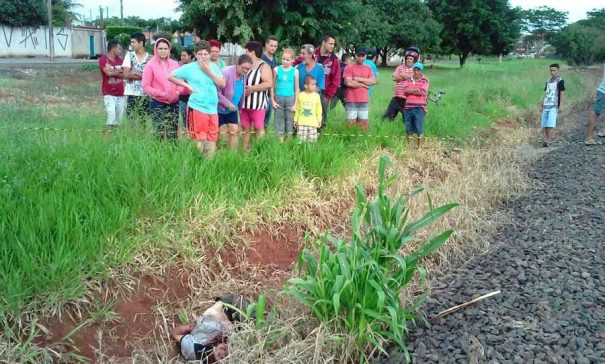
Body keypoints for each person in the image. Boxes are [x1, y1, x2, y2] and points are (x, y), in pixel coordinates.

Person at [168, 40, 226, 156]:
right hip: (197, 107)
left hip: (212, 108)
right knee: (199, 138)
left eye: (205, 54)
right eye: (200, 54)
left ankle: (209, 163)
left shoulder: (213, 67)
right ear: (195, 54)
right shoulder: (189, 67)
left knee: (212, 138)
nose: (203, 57)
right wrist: (186, 85)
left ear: (209, 55)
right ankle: (199, 162)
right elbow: (170, 76)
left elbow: (222, 84)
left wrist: (209, 71)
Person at [171, 294, 251, 362]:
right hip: (230, 321)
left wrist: (190, 327)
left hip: (227, 308)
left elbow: (174, 333)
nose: (224, 350)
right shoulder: (225, 345)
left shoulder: (191, 344)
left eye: (221, 352)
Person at [142, 38, 182, 141]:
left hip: (174, 102)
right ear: (156, 49)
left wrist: (178, 92)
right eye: (160, 48)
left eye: (165, 48)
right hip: (157, 102)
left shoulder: (175, 64)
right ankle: (158, 153)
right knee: (158, 131)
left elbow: (181, 81)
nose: (163, 51)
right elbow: (146, 86)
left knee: (173, 131)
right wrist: (160, 94)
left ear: (169, 50)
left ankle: (172, 153)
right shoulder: (150, 65)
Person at [241, 41, 273, 152]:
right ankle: (245, 151)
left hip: (258, 105)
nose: (245, 52)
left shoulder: (264, 66)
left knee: (259, 128)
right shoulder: (245, 65)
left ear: (252, 52)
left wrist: (252, 89)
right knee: (245, 128)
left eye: (246, 50)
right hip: (244, 105)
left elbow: (269, 83)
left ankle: (260, 151)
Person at [218, 54, 252, 150]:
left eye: (247, 69)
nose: (245, 71)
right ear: (237, 64)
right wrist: (227, 103)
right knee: (215, 133)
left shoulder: (244, 76)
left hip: (233, 109)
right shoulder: (225, 72)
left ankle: (233, 155)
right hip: (219, 109)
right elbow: (216, 92)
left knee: (234, 131)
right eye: (243, 68)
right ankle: (213, 154)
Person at [383, 46, 419, 121]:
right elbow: (394, 78)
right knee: (387, 118)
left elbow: (413, 79)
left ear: (414, 61)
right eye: (407, 59)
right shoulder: (399, 68)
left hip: (407, 98)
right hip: (396, 97)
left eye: (411, 59)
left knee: (407, 120)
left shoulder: (416, 70)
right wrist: (407, 76)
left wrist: (402, 75)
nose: (409, 60)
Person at [343, 47, 376, 130]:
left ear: (365, 56)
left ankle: (361, 140)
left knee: (364, 125)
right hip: (351, 100)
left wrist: (358, 79)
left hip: (364, 100)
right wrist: (364, 85)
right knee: (350, 124)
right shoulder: (349, 67)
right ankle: (349, 140)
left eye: (363, 55)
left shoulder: (368, 68)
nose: (361, 58)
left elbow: (373, 81)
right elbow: (348, 82)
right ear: (355, 55)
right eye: (359, 55)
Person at [122, 32, 152, 122]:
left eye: (133, 42)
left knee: (143, 120)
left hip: (145, 93)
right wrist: (144, 75)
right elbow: (126, 74)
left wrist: (135, 73)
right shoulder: (129, 55)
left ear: (141, 43)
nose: (131, 44)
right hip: (131, 93)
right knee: (131, 119)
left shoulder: (151, 58)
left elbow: (152, 77)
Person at [271, 48, 299, 141]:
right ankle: (280, 140)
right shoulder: (276, 69)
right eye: (283, 59)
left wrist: (295, 104)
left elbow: (297, 88)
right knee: (278, 119)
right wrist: (272, 100)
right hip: (278, 97)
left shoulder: (295, 71)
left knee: (289, 119)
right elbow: (272, 86)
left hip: (290, 98)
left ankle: (289, 139)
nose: (285, 61)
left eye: (288, 60)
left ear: (292, 60)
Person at [98, 40, 126, 130]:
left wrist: (113, 71)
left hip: (121, 92)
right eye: (118, 48)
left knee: (120, 116)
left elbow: (125, 73)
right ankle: (108, 133)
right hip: (109, 92)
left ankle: (116, 134)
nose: (120, 51)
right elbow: (108, 73)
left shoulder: (121, 60)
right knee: (111, 113)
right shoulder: (103, 59)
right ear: (113, 49)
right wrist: (119, 70)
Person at [401, 62, 429, 148]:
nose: (416, 72)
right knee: (409, 127)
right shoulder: (408, 80)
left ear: (421, 71)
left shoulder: (425, 81)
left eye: (418, 70)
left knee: (419, 127)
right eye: (415, 70)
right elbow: (404, 90)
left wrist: (411, 90)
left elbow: (422, 92)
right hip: (408, 107)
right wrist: (416, 90)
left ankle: (419, 147)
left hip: (419, 108)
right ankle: (409, 147)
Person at [540, 63, 565, 147]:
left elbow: (561, 93)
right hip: (546, 104)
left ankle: (549, 141)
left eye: (554, 70)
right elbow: (546, 92)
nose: (552, 72)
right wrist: (543, 102)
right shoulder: (548, 81)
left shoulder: (560, 80)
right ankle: (546, 139)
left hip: (554, 105)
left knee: (550, 123)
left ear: (558, 70)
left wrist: (561, 104)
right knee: (545, 124)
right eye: (551, 70)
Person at [294, 75, 322, 143]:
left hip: (313, 123)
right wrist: (295, 119)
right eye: (312, 84)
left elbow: (319, 109)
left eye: (315, 84)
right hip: (302, 122)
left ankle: (311, 153)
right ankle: (301, 153)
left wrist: (319, 120)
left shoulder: (317, 96)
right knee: (300, 141)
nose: (314, 86)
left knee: (312, 142)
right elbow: (297, 108)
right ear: (306, 85)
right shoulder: (300, 95)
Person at [585, 64, 605, 145]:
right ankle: (588, 138)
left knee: (595, 113)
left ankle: (603, 131)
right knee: (595, 113)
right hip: (604, 92)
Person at [261, 35, 278, 129]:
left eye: (275, 46)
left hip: (271, 93)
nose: (273, 48)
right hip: (262, 93)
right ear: (266, 45)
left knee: (267, 120)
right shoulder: (261, 59)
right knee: (260, 120)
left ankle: (264, 141)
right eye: (271, 45)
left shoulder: (274, 59)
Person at [178, 48, 194, 130]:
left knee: (193, 117)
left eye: (185, 55)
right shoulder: (178, 66)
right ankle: (188, 133)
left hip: (192, 96)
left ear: (190, 56)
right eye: (181, 56)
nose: (183, 57)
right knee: (185, 117)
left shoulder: (194, 67)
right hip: (182, 96)